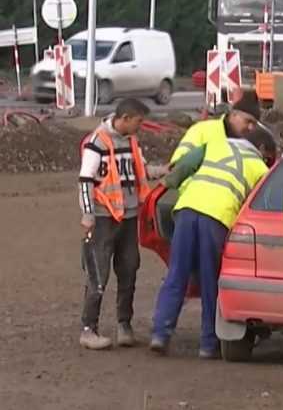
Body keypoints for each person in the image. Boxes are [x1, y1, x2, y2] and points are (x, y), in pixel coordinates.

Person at [149, 94, 268, 359]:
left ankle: (160, 334)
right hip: (216, 218)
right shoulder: (259, 167)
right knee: (209, 281)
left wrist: (164, 187)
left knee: (176, 274)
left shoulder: (216, 146)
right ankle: (208, 344)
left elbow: (183, 167)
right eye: (248, 121)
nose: (249, 127)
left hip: (187, 210)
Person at [78, 98, 167, 350]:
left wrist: (163, 170)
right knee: (99, 274)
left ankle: (124, 326)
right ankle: (88, 328)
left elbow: (141, 169)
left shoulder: (131, 141)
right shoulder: (97, 142)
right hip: (104, 218)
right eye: (139, 121)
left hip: (128, 217)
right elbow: (85, 179)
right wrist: (88, 214)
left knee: (129, 270)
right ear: (125, 118)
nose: (141, 126)